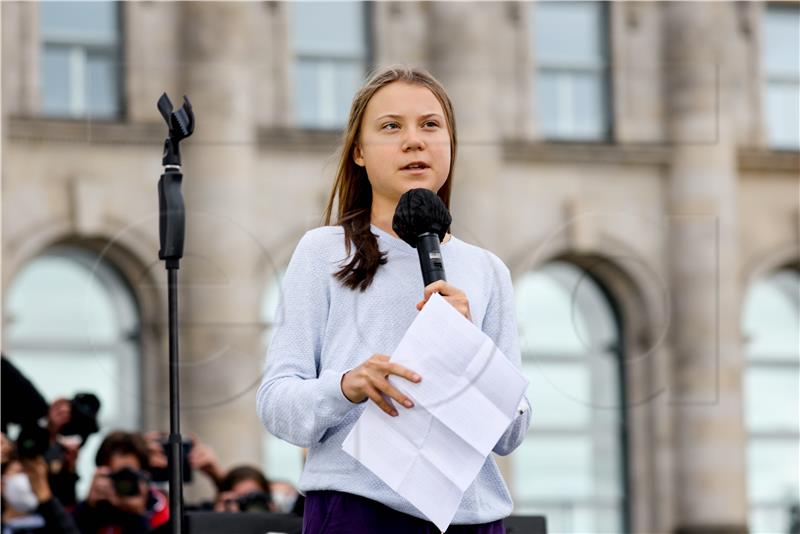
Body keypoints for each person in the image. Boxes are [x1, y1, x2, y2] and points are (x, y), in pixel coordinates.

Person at [256, 65, 531, 533]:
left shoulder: (487, 270)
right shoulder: (324, 251)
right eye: (391, 127)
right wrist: (347, 385)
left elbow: (511, 433)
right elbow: (277, 405)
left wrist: (468, 349)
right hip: (356, 511)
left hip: (470, 517)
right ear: (359, 152)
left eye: (430, 125)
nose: (414, 141)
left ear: (450, 144)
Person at [72, 431, 169, 534]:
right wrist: (88, 508)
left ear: (145, 475)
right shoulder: (96, 508)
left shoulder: (158, 510)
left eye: (130, 475)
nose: (124, 483)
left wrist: (137, 515)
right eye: (118, 475)